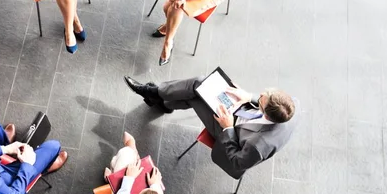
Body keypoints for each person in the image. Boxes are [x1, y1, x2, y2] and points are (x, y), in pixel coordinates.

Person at [123, 76, 299, 180]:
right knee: (200, 84)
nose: (260, 94)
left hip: (229, 137)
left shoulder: (258, 146)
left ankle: (153, 93)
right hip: (243, 114)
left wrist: (228, 127)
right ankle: (160, 99)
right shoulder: (290, 106)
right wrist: (248, 97)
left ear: (267, 114)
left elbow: (236, 162)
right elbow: (262, 100)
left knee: (195, 93)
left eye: (262, 99)